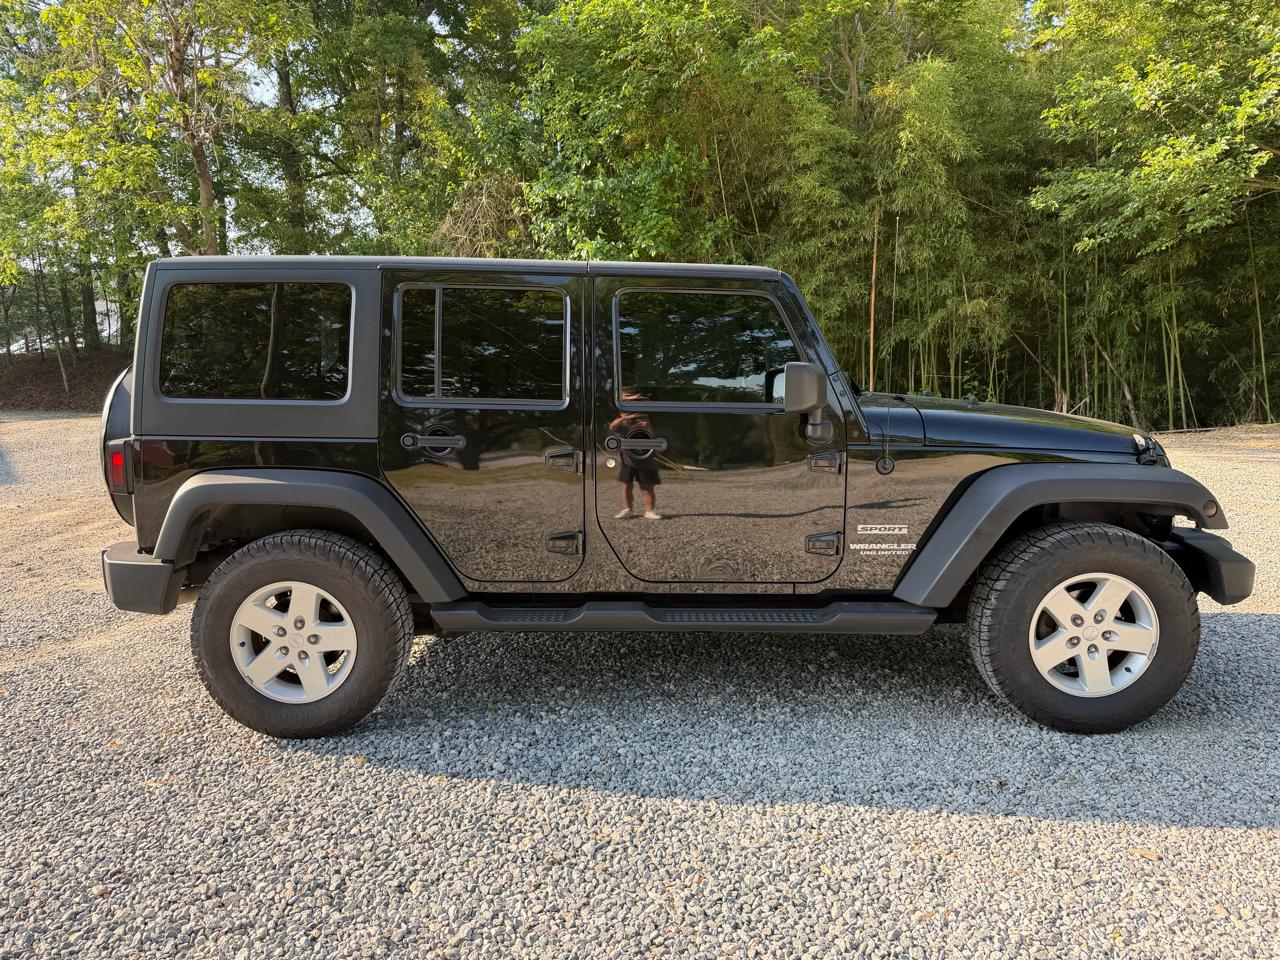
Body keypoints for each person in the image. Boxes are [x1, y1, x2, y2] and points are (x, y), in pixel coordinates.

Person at [610, 388, 662, 520]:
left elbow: (652, 435)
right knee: (627, 486)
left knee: (646, 486)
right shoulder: (622, 418)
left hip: (644, 458)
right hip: (627, 459)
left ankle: (649, 511)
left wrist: (647, 425)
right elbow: (612, 427)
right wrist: (625, 418)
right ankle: (628, 509)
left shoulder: (643, 416)